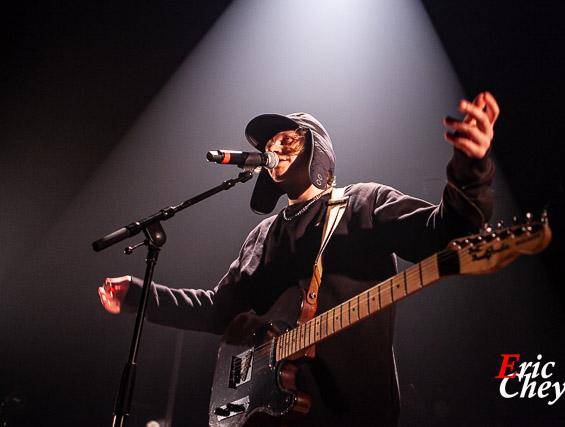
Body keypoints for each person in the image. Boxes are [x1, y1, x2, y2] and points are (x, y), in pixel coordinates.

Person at [99, 92, 499, 426]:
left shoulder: (363, 203)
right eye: (267, 144)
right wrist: (140, 296)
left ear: (316, 148)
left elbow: (444, 233)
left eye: (286, 138)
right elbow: (218, 311)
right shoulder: (262, 236)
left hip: (352, 413)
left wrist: (471, 168)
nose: (273, 147)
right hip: (275, 417)